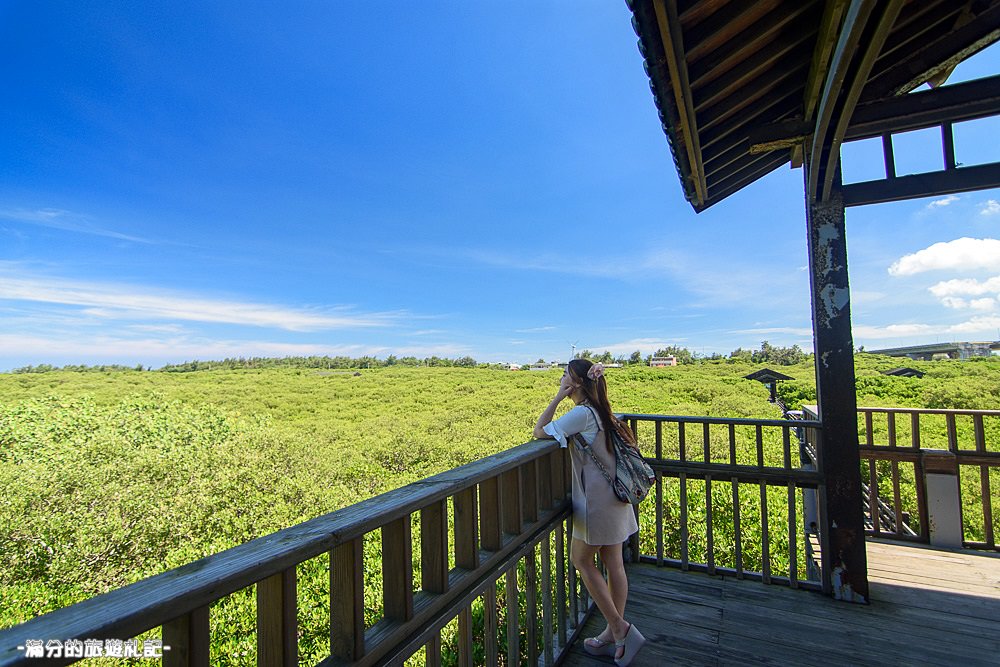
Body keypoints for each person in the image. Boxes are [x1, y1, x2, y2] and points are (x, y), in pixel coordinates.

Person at [533, 359, 646, 666]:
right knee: (613, 563)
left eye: (566, 376)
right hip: (617, 497)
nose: (562, 378)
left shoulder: (582, 414)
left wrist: (557, 397)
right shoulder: (601, 411)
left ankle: (620, 629)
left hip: (597, 501)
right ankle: (613, 633)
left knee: (581, 560)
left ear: (578, 383)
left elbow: (539, 431)